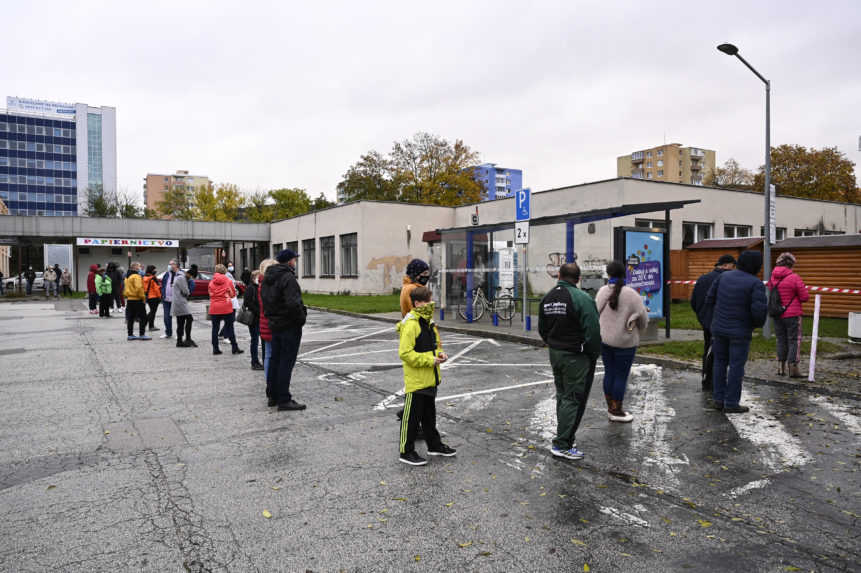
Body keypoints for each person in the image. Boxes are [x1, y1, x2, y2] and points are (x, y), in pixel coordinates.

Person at [538, 262, 601, 460]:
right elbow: (592, 331)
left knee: (563, 395)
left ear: (558, 275)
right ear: (578, 279)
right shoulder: (582, 298)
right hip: (576, 355)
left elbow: (542, 328)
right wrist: (592, 353)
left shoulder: (547, 298)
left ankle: (564, 436)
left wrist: (552, 343)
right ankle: (562, 443)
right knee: (573, 398)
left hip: (555, 352)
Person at [396, 286, 455, 466]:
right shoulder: (411, 324)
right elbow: (405, 353)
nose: (430, 304)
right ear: (416, 303)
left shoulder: (428, 323)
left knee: (429, 416)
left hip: (430, 378)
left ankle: (434, 445)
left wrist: (440, 354)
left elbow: (435, 345)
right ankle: (406, 451)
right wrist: (430, 360)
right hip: (416, 381)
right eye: (427, 301)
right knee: (411, 418)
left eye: (430, 300)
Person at [704, 250, 767, 414]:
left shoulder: (723, 276)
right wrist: (754, 325)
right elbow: (759, 312)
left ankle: (718, 399)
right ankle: (731, 402)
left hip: (719, 329)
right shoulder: (755, 283)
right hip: (740, 331)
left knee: (719, 363)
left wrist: (714, 321)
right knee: (736, 367)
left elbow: (709, 299)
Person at [595, 261, 649, 423]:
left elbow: (594, 311)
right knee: (621, 375)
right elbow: (644, 320)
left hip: (605, 340)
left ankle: (611, 407)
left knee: (609, 373)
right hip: (625, 342)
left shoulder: (603, 291)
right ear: (625, 274)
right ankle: (616, 411)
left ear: (608, 274)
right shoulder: (632, 294)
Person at [262, 249, 306, 411]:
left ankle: (272, 394)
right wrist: (301, 319)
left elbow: (265, 300)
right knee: (286, 362)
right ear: (289, 261)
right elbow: (293, 304)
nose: (295, 262)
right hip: (289, 325)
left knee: (275, 359)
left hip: (275, 323)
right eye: (294, 259)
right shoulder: (288, 278)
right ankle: (283, 398)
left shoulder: (268, 278)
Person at [690, 254, 736, 390]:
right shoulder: (728, 280)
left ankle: (706, 378)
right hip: (723, 321)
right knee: (722, 353)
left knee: (708, 349)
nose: (734, 270)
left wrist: (702, 316)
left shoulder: (703, 279)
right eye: (733, 267)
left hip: (706, 321)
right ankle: (717, 382)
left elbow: (694, 301)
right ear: (726, 265)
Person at [397, 259, 431, 429]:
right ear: (416, 273)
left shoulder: (407, 287)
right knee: (419, 384)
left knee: (416, 382)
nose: (427, 276)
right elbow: (420, 313)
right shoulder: (413, 290)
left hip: (413, 332)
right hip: (417, 335)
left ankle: (407, 413)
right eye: (424, 274)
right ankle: (410, 419)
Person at [767, 252, 810, 378]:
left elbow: (772, 291)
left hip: (777, 313)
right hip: (792, 314)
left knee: (781, 339)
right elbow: (804, 297)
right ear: (791, 264)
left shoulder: (772, 278)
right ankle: (793, 369)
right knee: (794, 340)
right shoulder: (794, 277)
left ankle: (781, 368)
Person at [209, 264, 243, 355]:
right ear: (224, 271)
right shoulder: (228, 281)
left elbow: (210, 293)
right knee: (230, 327)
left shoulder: (211, 282)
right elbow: (232, 295)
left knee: (215, 329)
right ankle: (234, 348)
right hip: (226, 306)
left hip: (214, 307)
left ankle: (215, 349)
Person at [258, 259, 276, 390]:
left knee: (268, 354)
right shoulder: (270, 285)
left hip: (264, 322)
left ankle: (269, 383)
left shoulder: (260, 284)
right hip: (272, 323)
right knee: (274, 355)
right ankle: (272, 383)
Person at [243, 269, 265, 370]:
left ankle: (265, 361)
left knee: (263, 340)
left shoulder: (260, 287)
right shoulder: (251, 288)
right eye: (258, 276)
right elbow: (247, 303)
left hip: (261, 318)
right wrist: (259, 311)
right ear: (253, 278)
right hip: (254, 319)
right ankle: (254, 362)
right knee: (255, 340)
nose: (259, 278)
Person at [123, 262, 150, 341]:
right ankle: (142, 334)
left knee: (130, 318)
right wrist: (143, 297)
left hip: (129, 299)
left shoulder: (127, 277)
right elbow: (139, 288)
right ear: (135, 268)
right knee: (143, 317)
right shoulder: (136, 276)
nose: (140, 268)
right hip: (137, 299)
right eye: (139, 267)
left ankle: (130, 334)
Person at [172, 267, 196, 347]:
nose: (191, 278)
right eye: (191, 276)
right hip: (180, 303)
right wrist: (188, 292)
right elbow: (186, 291)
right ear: (189, 274)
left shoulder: (180, 277)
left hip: (178, 302)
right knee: (189, 319)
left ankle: (179, 341)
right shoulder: (182, 278)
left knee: (181, 322)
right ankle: (187, 339)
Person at [160, 260, 182, 339]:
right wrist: (162, 293)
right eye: (169, 264)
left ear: (176, 265)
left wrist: (185, 294)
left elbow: (190, 284)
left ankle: (179, 334)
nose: (169, 265)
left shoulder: (181, 274)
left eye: (171, 264)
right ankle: (168, 333)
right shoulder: (167, 274)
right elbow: (163, 284)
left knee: (179, 318)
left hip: (177, 299)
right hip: (166, 299)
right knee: (166, 317)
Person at [143, 265, 161, 332]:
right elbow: (156, 289)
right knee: (153, 312)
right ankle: (149, 325)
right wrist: (159, 297)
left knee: (152, 311)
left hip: (148, 297)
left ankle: (149, 325)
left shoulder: (144, 277)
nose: (155, 271)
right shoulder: (153, 278)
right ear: (152, 270)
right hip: (154, 297)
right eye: (154, 269)